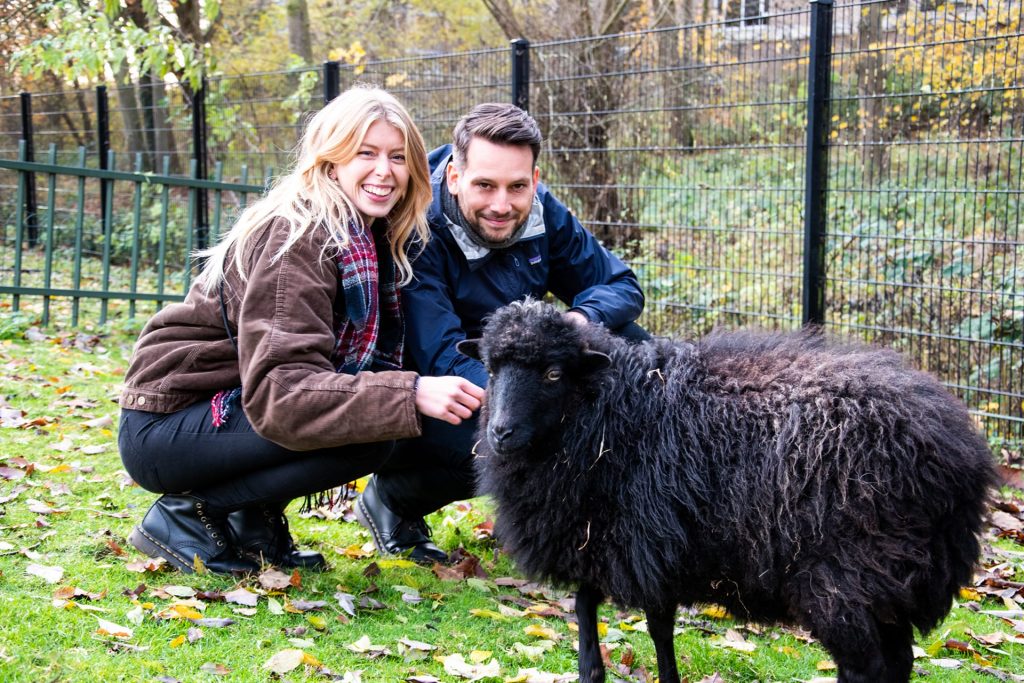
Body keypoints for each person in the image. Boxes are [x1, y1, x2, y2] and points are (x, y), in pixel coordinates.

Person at [117, 86, 484, 575]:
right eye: (366, 153)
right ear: (331, 161)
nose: (385, 170)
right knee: (370, 429)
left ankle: (253, 521)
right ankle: (185, 515)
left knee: (374, 421)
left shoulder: (369, 236)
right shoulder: (299, 238)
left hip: (215, 414)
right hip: (167, 427)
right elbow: (282, 393)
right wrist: (411, 390)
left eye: (398, 156)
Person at [355, 103, 646, 563]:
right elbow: (443, 356)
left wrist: (576, 322)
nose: (501, 205)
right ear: (454, 177)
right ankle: (394, 497)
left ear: (534, 179)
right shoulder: (418, 229)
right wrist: (539, 406)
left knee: (632, 341)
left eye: (517, 186)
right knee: (510, 434)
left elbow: (619, 286)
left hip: (521, 366)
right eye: (484, 185)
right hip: (433, 388)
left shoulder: (540, 210)